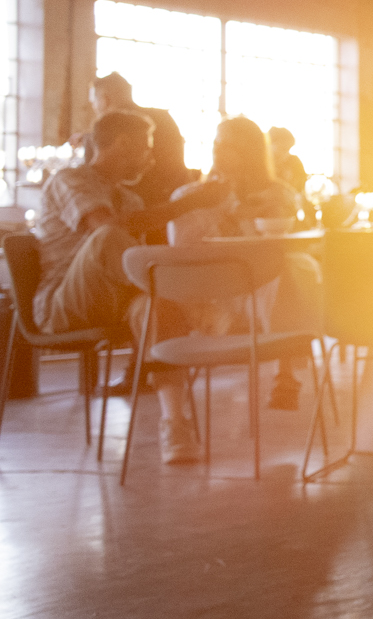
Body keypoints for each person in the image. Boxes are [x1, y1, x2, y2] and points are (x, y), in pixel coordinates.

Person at [28, 110, 229, 461]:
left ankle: (175, 425)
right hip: (64, 304)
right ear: (122, 144)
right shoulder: (69, 180)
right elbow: (107, 230)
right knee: (109, 237)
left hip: (114, 302)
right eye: (146, 147)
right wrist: (188, 204)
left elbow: (136, 264)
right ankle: (191, 304)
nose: (151, 157)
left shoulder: (130, 200)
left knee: (154, 305)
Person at [169, 116, 320, 408]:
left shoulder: (277, 194)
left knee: (292, 269)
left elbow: (292, 239)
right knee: (284, 273)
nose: (217, 149)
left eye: (228, 144)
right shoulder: (188, 197)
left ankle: (285, 373)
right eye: (216, 142)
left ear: (249, 151)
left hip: (262, 283)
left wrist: (257, 213)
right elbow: (183, 251)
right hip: (212, 290)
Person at [89, 72, 189, 213]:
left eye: (94, 102)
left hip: (131, 210)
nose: (94, 107)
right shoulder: (164, 118)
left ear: (105, 99)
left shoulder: (111, 132)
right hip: (174, 202)